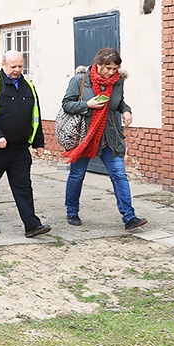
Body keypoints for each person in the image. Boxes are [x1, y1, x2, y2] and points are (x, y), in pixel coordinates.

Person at [61, 47, 147, 230]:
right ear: (98, 64)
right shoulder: (80, 80)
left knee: (119, 175)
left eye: (115, 69)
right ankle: (72, 211)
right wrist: (87, 104)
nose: (111, 73)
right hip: (86, 136)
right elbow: (67, 104)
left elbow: (119, 102)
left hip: (109, 137)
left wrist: (126, 110)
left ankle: (129, 216)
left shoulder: (117, 82)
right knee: (77, 175)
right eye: (108, 68)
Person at [0, 50, 50, 237]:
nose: (17, 70)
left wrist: (38, 142)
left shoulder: (28, 86)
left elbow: (35, 115)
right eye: (13, 66)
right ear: (3, 65)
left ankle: (32, 225)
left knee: (24, 186)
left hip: (20, 148)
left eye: (20, 66)